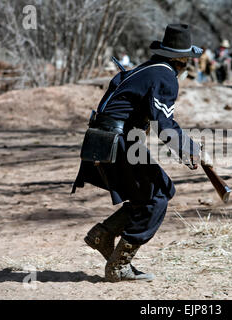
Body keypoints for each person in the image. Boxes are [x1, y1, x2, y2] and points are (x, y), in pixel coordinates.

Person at [72, 24, 213, 282]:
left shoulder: (146, 69)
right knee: (156, 197)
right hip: (118, 141)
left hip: (107, 139)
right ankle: (118, 264)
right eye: (186, 61)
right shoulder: (165, 76)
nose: (186, 67)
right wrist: (191, 149)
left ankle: (104, 234)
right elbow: (165, 125)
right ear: (180, 59)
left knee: (159, 190)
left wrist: (188, 149)